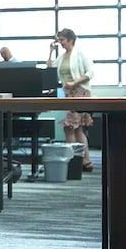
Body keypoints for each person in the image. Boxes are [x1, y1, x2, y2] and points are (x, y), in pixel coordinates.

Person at [48, 27, 95, 172]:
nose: (60, 43)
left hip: (80, 92)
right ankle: (85, 161)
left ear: (70, 40)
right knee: (77, 129)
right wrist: (50, 51)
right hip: (69, 94)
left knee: (70, 127)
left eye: (62, 40)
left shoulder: (80, 54)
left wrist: (74, 83)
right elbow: (50, 68)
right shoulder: (62, 57)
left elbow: (90, 73)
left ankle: (76, 161)